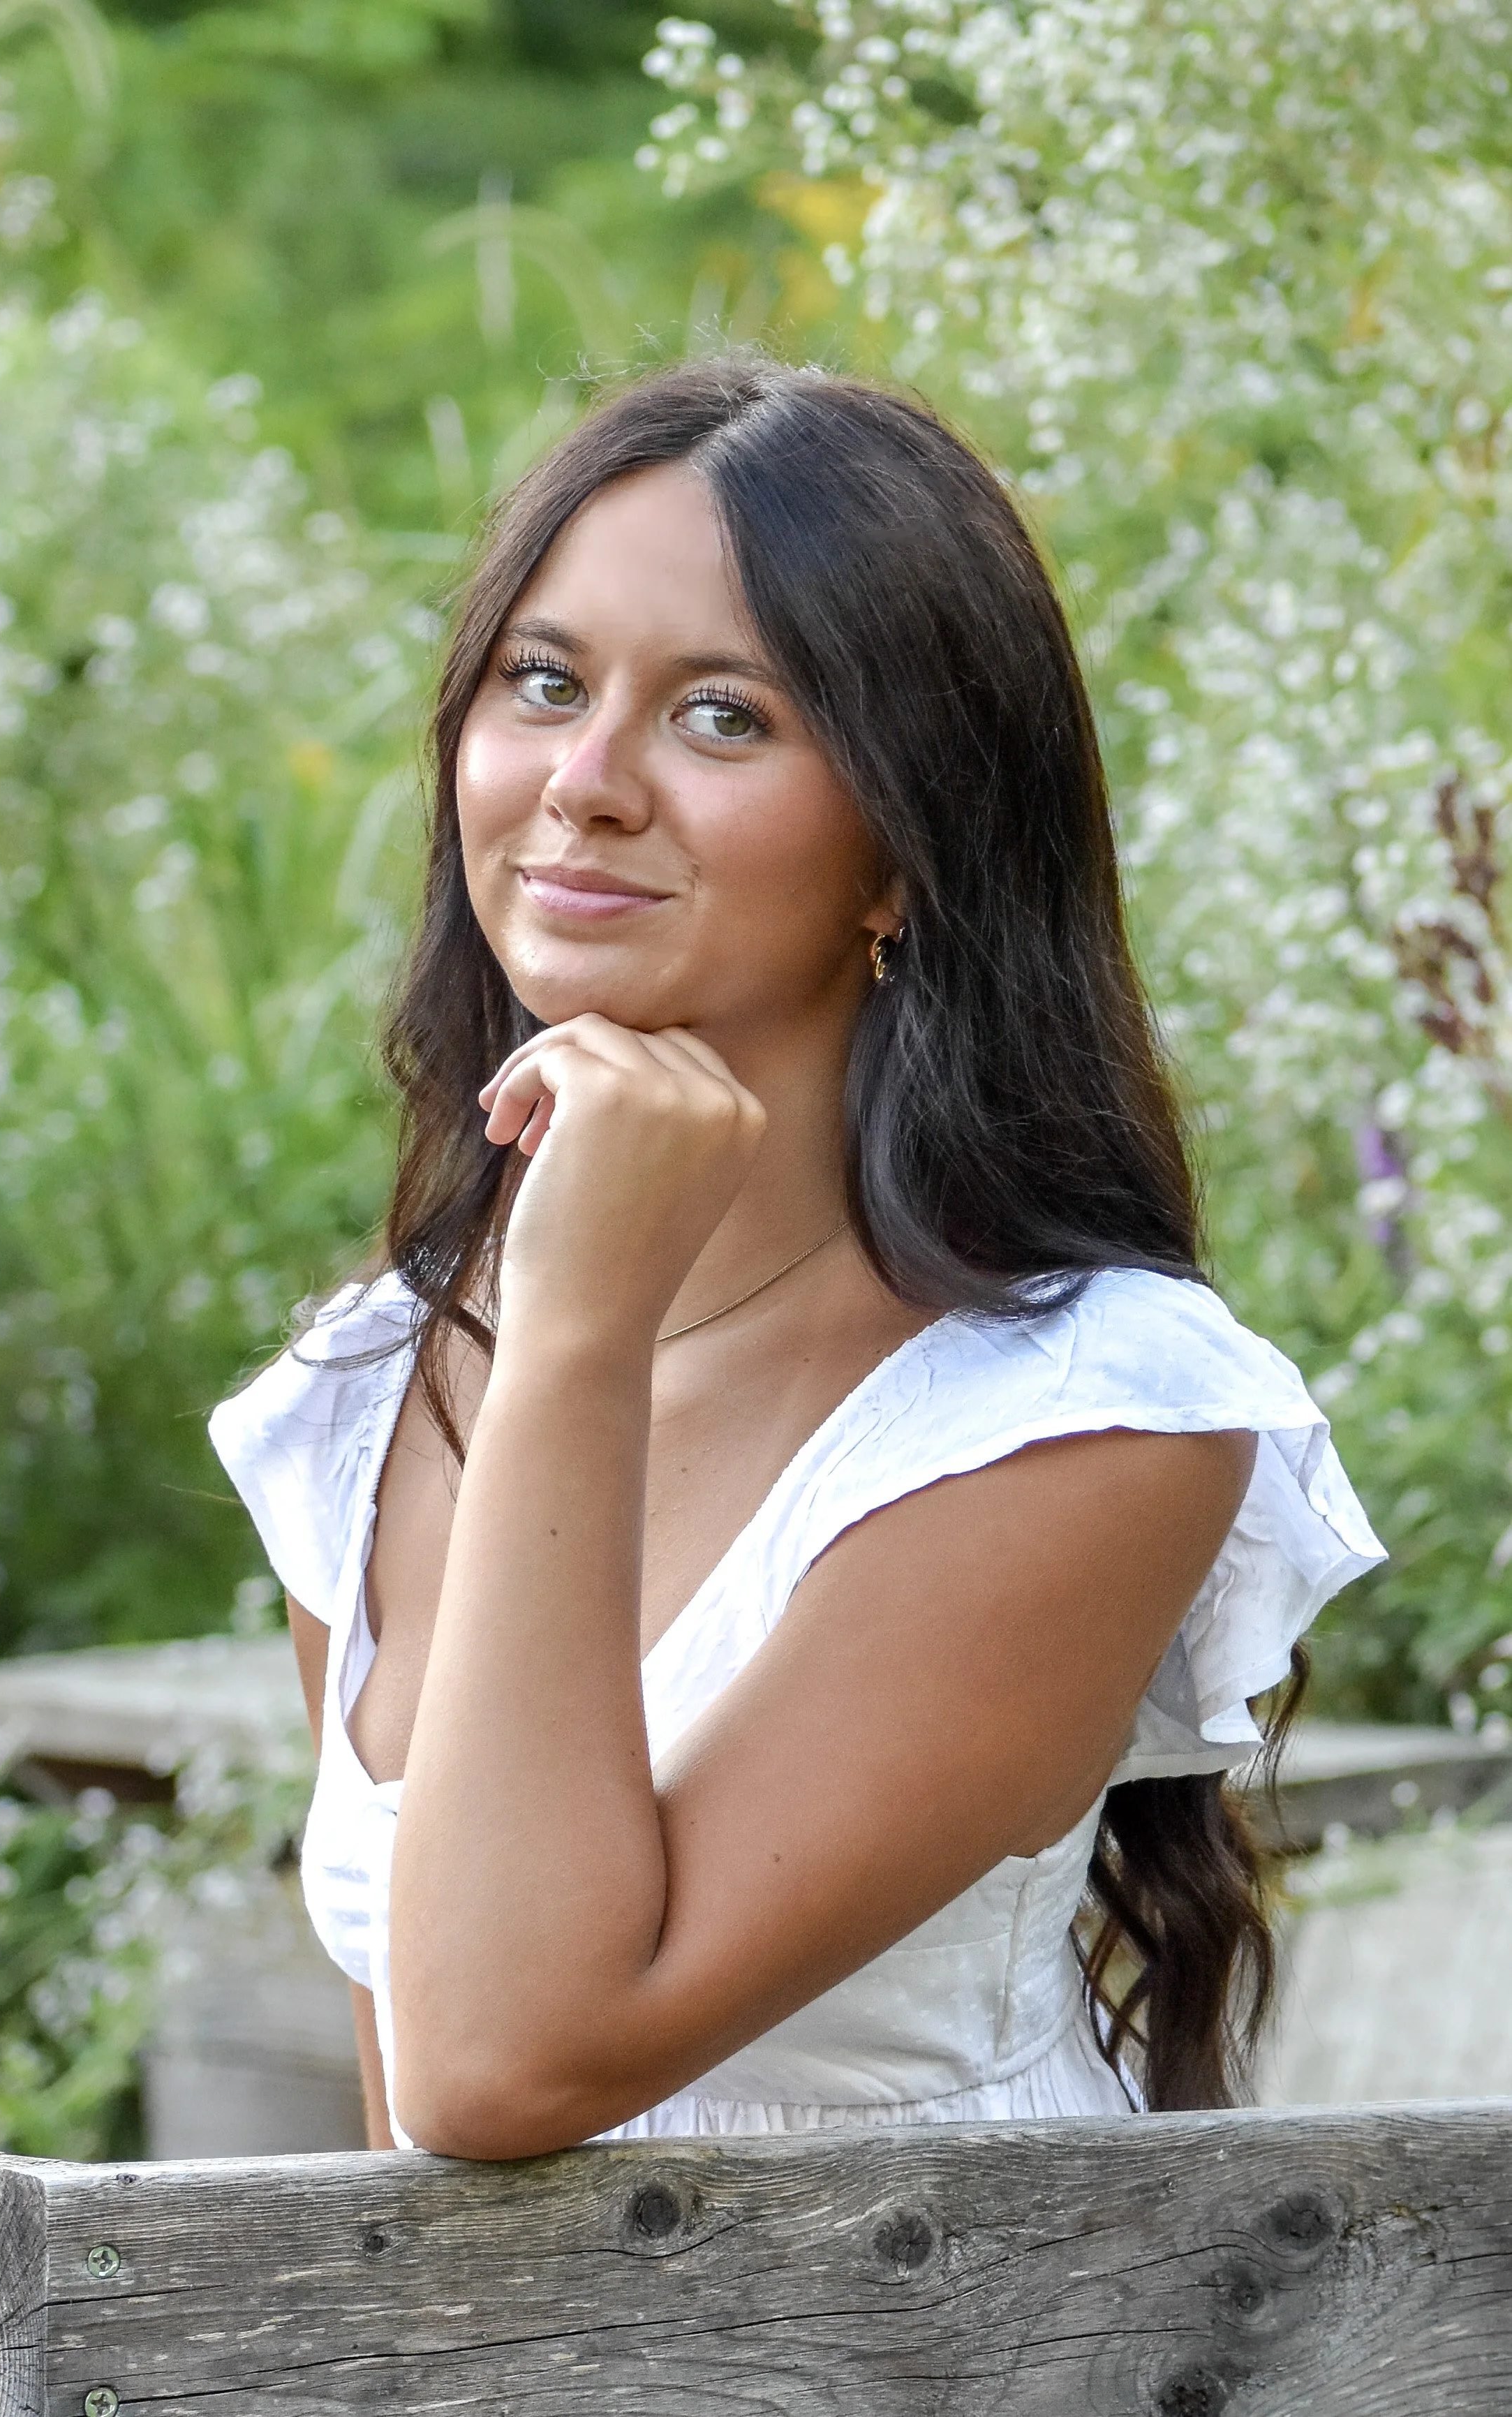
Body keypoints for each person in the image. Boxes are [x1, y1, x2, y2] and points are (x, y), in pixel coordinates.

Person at [210, 357, 1384, 2159]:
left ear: (904, 854)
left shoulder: (1080, 1420)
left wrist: (580, 1327)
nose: (585, 784)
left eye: (724, 717)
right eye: (543, 682)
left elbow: (506, 2063)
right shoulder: (373, 1390)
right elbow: (413, 2159)